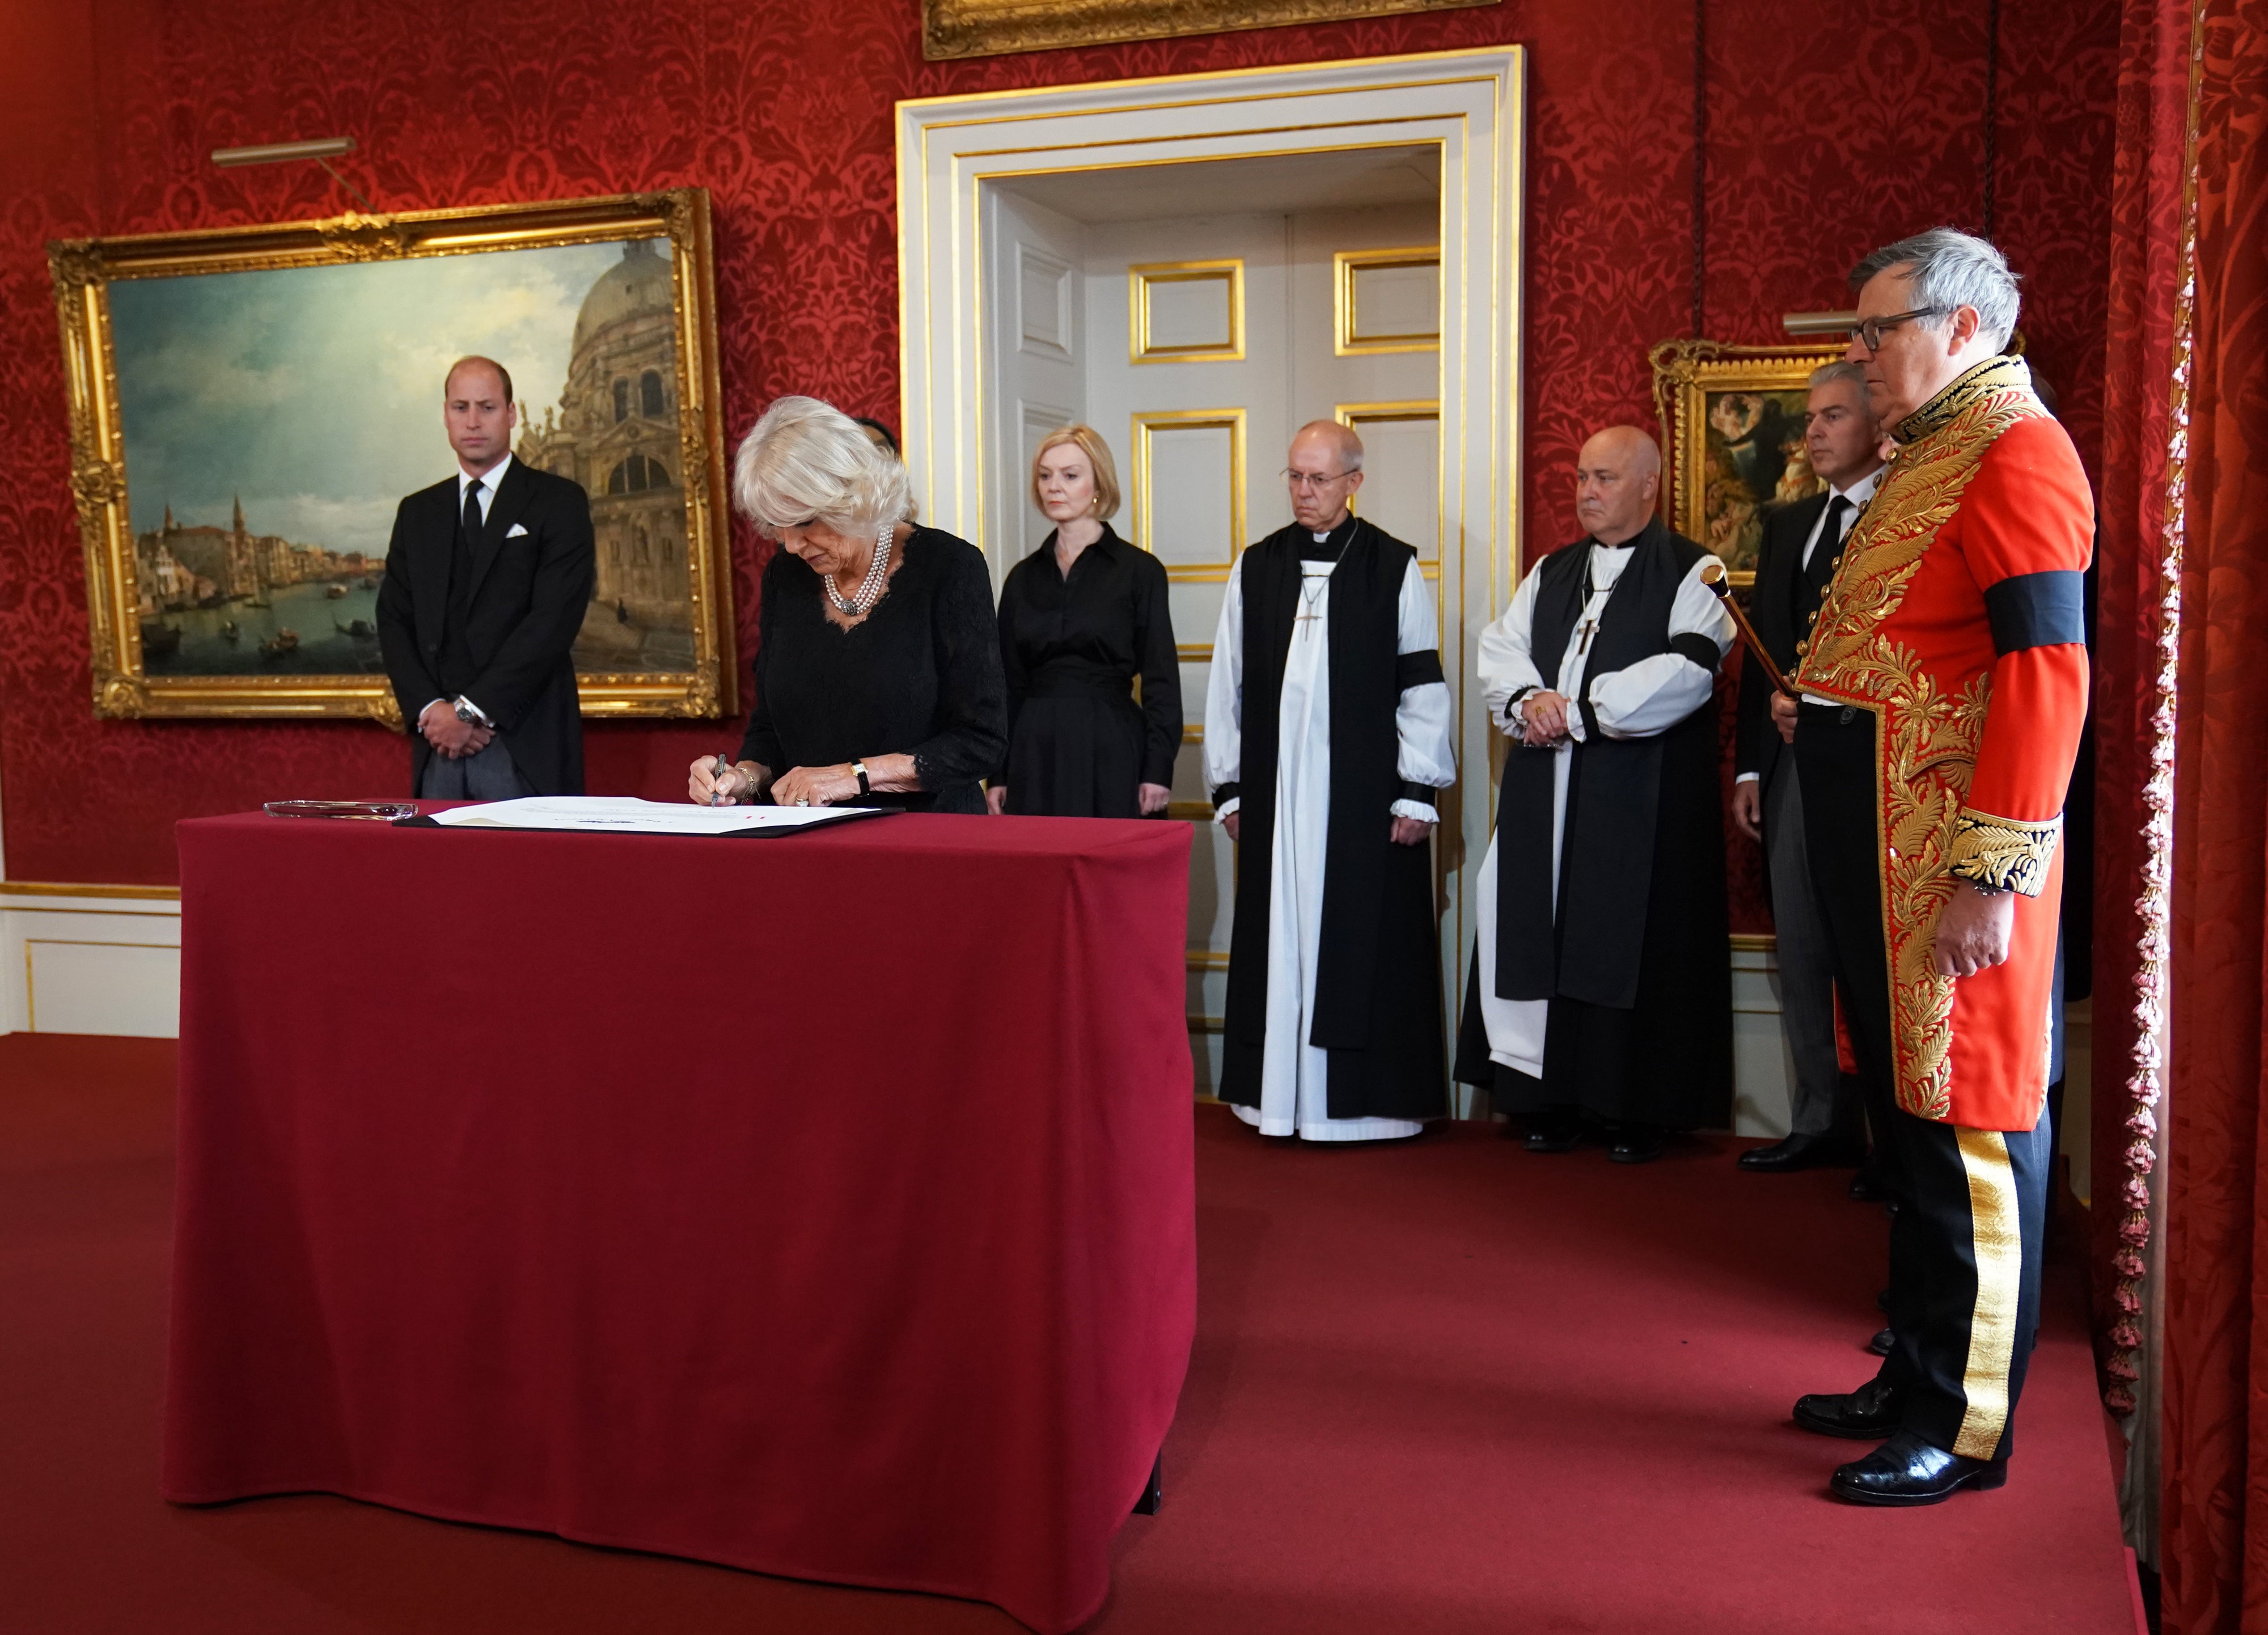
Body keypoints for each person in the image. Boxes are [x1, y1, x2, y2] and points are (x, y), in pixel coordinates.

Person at [1782, 229, 2091, 1506]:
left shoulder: (2019, 447)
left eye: (1876, 329)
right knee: (1904, 1130)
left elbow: (2045, 671)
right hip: (1873, 842)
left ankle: (1963, 1425)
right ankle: (1910, 1367)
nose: (1859, 354)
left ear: (1961, 326)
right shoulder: (1927, 451)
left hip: (1947, 860)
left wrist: (1989, 874)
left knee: (1966, 1132)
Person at [1454, 426, 1735, 1164]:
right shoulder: (1553, 569)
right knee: (1539, 924)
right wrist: (1527, 697)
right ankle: (1545, 1098)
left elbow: (1690, 668)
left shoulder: (1694, 570)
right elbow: (1501, 646)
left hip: (1638, 789)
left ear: (1650, 483)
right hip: (1547, 781)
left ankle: (1633, 1107)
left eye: (1605, 478)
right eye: (1581, 477)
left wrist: (1579, 709)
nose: (1587, 492)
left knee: (1627, 929)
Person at [1204, 420, 1455, 1140]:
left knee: (1361, 937)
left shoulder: (1391, 566)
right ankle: (1277, 1100)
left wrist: (1416, 788)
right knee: (1280, 937)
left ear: (1354, 481)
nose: (1303, 492)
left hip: (1362, 797)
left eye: (1318, 479)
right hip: (1278, 794)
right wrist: (1231, 788)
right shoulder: (1257, 566)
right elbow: (1229, 683)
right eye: (1293, 477)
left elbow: (1421, 684)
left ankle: (1362, 1112)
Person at [688, 396, 1005, 813]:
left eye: (804, 521)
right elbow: (770, 726)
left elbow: (980, 742)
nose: (792, 544)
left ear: (854, 496)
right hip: (812, 840)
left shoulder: (950, 568)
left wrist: (853, 776)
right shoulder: (785, 577)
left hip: (930, 837)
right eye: (778, 526)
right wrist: (741, 778)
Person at [1732, 362, 1886, 1175]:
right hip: (1792, 767)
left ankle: (1886, 1140)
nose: (1814, 433)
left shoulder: (1902, 513)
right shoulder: (1789, 524)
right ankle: (1817, 1119)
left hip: (1872, 770)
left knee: (1871, 950)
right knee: (1802, 944)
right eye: (1809, 420)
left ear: (1878, 419)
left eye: (1832, 416)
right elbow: (1765, 656)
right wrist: (1752, 771)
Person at [377, 356, 595, 798]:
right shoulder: (417, 512)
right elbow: (393, 619)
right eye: (461, 407)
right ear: (445, 415)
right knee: (438, 868)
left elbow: (552, 621)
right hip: (437, 744)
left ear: (511, 413)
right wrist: (433, 712)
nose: (473, 421)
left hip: (523, 740)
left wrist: (472, 712)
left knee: (524, 868)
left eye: (487, 407)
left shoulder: (559, 501)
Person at [988, 426, 1179, 818]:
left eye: (1070, 475)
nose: (1053, 486)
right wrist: (999, 773)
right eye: (1045, 475)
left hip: (1112, 744)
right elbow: (1006, 685)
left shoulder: (1140, 571)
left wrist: (1158, 769)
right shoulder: (1022, 577)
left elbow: (1161, 680)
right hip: (1034, 750)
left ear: (1099, 484)